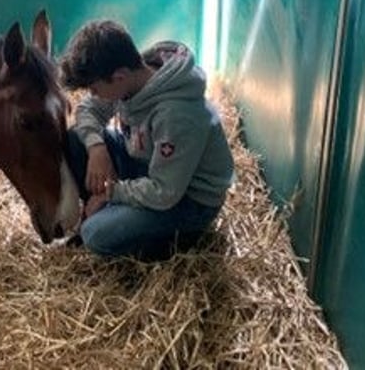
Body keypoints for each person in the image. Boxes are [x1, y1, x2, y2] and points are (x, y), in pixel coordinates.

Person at [59, 19, 234, 260]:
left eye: (94, 88)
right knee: (75, 140)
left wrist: (110, 193)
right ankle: (113, 213)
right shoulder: (132, 76)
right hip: (148, 164)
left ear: (119, 77)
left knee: (94, 236)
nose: (92, 95)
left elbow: (164, 192)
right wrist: (96, 148)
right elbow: (88, 109)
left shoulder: (176, 114)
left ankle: (173, 241)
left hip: (187, 199)